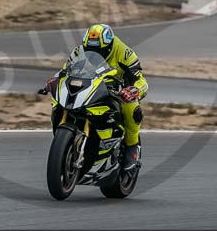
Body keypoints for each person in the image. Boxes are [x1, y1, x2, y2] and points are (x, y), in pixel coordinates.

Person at [47, 24, 148, 170]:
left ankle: (132, 148)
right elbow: (65, 71)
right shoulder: (80, 50)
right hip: (91, 85)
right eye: (90, 50)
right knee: (58, 102)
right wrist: (53, 80)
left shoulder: (124, 52)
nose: (94, 53)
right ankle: (66, 143)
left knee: (132, 109)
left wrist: (133, 90)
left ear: (108, 46)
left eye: (98, 50)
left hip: (118, 89)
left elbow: (141, 79)